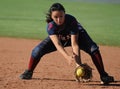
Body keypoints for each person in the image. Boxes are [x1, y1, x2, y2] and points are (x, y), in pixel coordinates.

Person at [20, 3, 114, 84]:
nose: (59, 19)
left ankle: (103, 76)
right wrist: (67, 57)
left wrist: (78, 64)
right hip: (59, 38)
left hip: (79, 36)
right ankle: (29, 72)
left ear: (65, 14)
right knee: (37, 51)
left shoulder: (71, 20)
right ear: (51, 17)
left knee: (93, 49)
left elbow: (75, 43)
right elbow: (58, 45)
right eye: (55, 17)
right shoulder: (50, 27)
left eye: (61, 16)